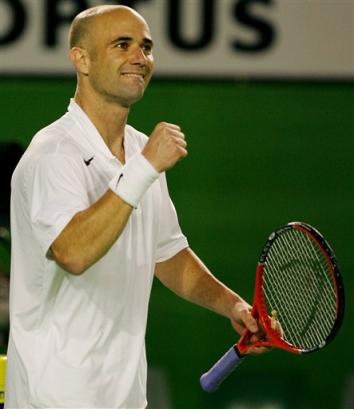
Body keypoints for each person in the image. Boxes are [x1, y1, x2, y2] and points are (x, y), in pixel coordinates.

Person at [5, 5, 269, 408]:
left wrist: (232, 305)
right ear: (82, 59)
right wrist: (143, 168)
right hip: (54, 399)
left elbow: (168, 256)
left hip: (127, 398)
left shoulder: (140, 151)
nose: (140, 58)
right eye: (122, 45)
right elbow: (72, 253)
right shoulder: (53, 153)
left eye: (146, 47)